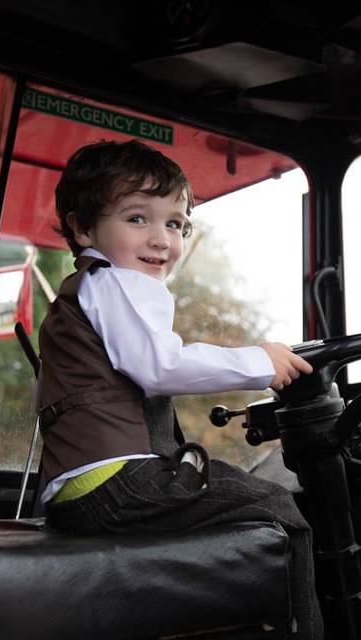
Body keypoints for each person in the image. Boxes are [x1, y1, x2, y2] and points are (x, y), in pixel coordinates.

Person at [36, 139, 323, 638]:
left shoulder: (87, 288)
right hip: (117, 483)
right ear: (84, 229)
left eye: (175, 223)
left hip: (83, 490)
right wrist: (260, 361)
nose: (161, 239)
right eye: (137, 219)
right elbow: (159, 367)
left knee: (235, 493)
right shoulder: (118, 282)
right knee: (281, 511)